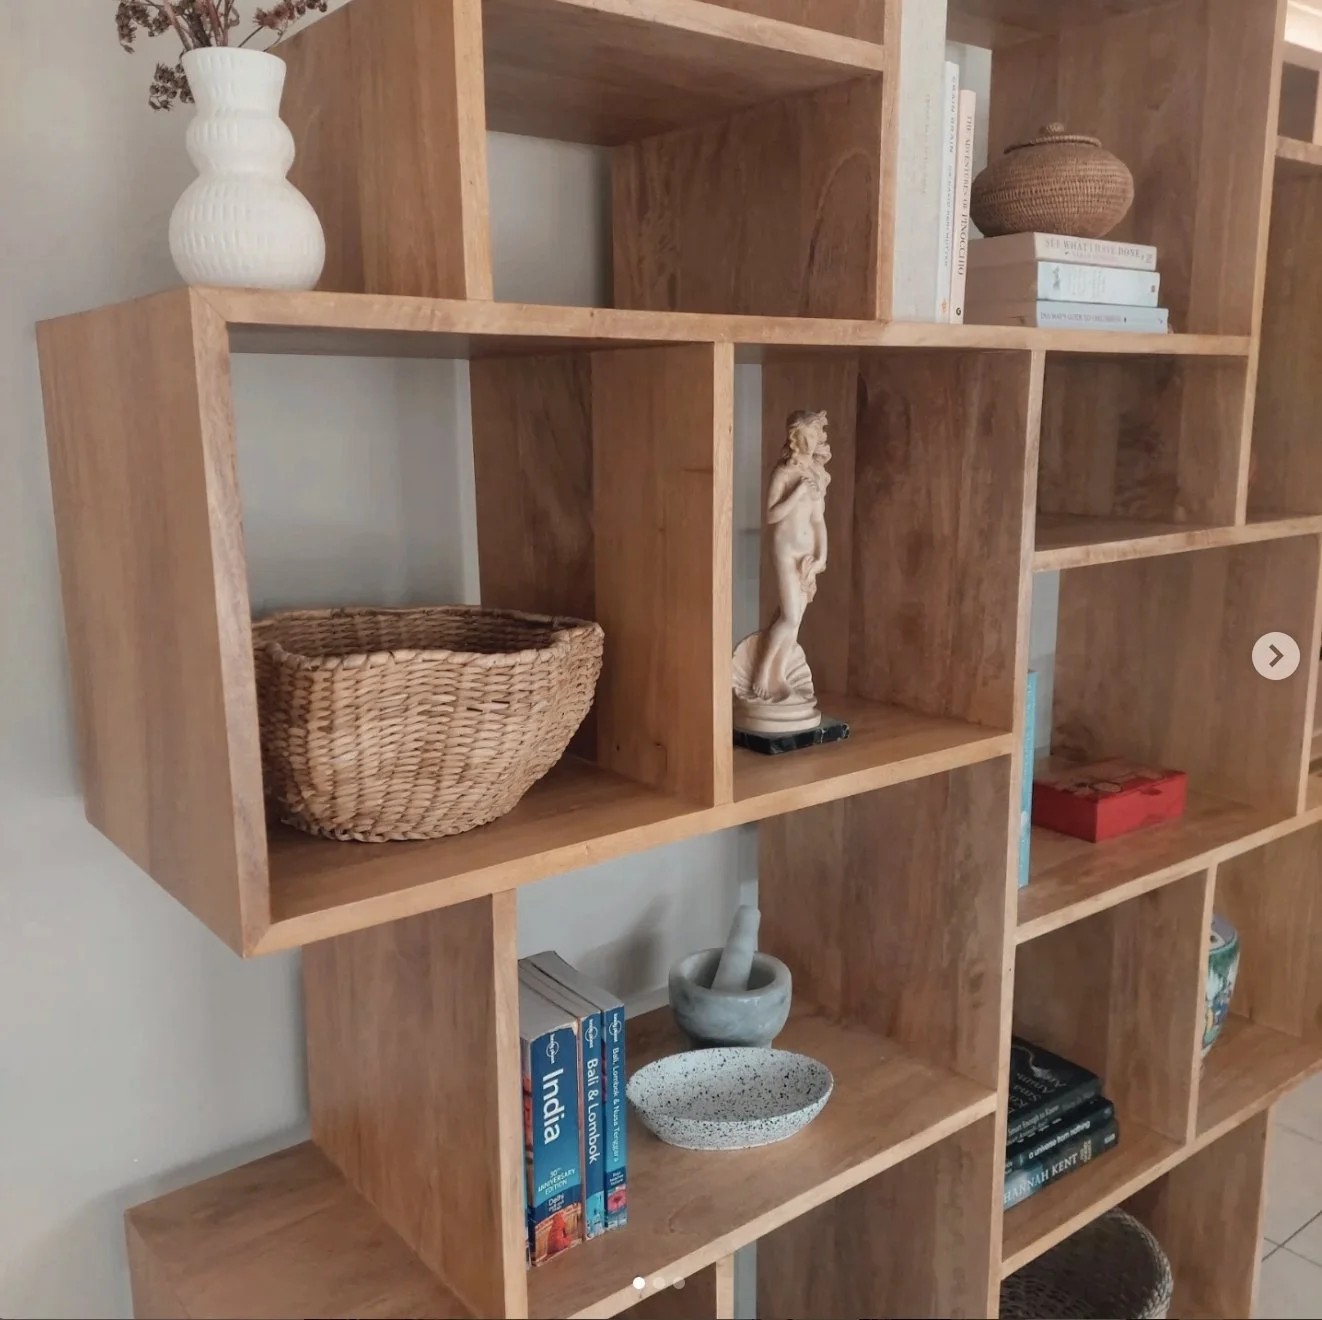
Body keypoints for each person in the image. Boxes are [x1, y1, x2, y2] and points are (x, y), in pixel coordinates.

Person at [751, 410, 831, 701]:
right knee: (790, 615)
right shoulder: (785, 473)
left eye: (815, 436)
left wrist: (822, 557)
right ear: (795, 438)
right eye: (805, 436)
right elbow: (771, 515)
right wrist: (797, 492)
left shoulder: (816, 476)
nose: (811, 442)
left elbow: (818, 521)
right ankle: (761, 673)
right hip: (786, 551)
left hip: (807, 556)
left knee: (795, 621)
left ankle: (779, 675)